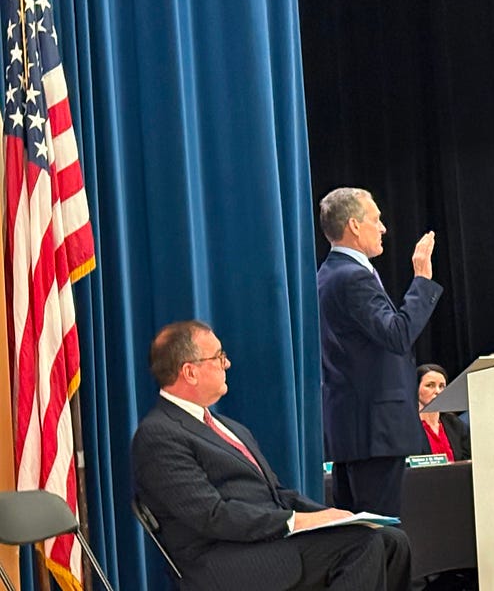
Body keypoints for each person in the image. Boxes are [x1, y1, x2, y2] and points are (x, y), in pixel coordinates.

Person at [132, 320, 412, 590]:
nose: (227, 364)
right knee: (362, 546)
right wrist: (295, 521)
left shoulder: (230, 427)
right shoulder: (159, 435)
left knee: (392, 540)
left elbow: (277, 494)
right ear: (190, 372)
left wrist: (333, 516)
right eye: (219, 357)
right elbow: (212, 516)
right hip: (225, 559)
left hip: (268, 542)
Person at [317, 186, 443, 516]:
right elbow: (397, 336)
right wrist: (422, 280)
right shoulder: (351, 277)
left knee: (358, 531)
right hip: (375, 431)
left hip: (353, 429)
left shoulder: (329, 273)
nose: (383, 228)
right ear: (355, 225)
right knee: (379, 531)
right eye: (376, 219)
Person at [417, 364, 470, 461]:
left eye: (441, 386)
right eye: (430, 385)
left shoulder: (455, 424)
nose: (437, 391)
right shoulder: (407, 426)